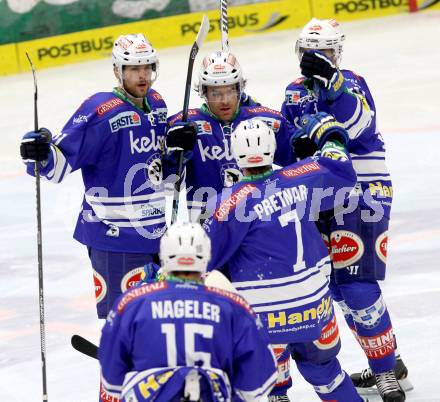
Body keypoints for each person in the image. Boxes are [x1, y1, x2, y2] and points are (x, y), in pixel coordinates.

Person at [20, 33, 196, 319]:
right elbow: (59, 163)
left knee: (157, 316)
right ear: (118, 71)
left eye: (147, 67)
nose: (143, 76)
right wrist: (39, 153)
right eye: (133, 69)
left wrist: (178, 151)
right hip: (114, 236)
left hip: (154, 232)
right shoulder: (100, 111)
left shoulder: (158, 104)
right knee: (124, 320)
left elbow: (161, 175)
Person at [280, 18, 408, 401]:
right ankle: (389, 359)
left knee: (357, 284)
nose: (316, 58)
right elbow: (286, 142)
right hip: (318, 194)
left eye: (326, 51)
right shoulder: (293, 92)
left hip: (362, 191)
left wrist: (333, 85)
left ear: (339, 51)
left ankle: (386, 373)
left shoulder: (350, 82)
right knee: (335, 286)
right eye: (309, 52)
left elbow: (362, 128)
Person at [203, 116, 365, 402]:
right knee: (324, 370)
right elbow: (340, 169)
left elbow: (205, 258)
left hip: (264, 317)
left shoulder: (230, 202)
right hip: (314, 308)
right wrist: (332, 136)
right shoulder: (301, 176)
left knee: (242, 381)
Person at [98, 221, 278, 402]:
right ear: (206, 255)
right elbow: (259, 381)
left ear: (164, 255)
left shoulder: (131, 304)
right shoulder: (234, 306)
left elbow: (111, 381)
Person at [166, 50, 295, 221]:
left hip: (256, 221)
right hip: (208, 226)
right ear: (204, 92)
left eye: (230, 92)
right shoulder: (185, 126)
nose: (224, 100)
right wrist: (172, 157)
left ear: (240, 89)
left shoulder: (264, 121)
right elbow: (166, 184)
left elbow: (299, 160)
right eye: (216, 94)